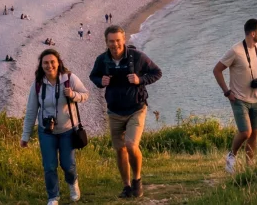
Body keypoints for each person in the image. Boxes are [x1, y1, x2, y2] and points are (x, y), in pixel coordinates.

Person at [89, 26, 162, 199]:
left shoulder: (137, 57)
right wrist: (101, 81)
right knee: (120, 150)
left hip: (136, 108)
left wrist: (140, 79)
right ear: (106, 42)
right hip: (114, 111)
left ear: (124, 40)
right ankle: (127, 186)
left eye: (118, 40)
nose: (115, 44)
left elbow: (157, 72)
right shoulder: (102, 60)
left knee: (131, 145)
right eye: (111, 41)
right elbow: (93, 76)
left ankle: (137, 180)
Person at [21, 48, 89, 205]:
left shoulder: (69, 79)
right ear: (41, 65)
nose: (49, 65)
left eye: (52, 62)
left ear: (58, 63)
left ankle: (73, 184)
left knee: (68, 164)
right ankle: (53, 197)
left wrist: (73, 95)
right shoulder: (38, 84)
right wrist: (25, 136)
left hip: (67, 130)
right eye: (45, 62)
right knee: (49, 165)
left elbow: (85, 94)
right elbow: (31, 111)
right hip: (46, 131)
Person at [213, 19, 257, 174]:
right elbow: (217, 70)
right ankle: (232, 156)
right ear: (252, 33)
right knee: (246, 132)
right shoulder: (235, 51)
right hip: (239, 99)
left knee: (254, 134)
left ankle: (249, 166)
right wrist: (227, 91)